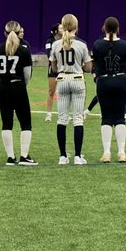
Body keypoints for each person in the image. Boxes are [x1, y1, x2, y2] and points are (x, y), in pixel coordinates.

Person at [0, 20, 36, 165]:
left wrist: (5, 82)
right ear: (19, 33)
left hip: (3, 89)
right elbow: (27, 74)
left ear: (5, 33)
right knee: (25, 123)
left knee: (6, 123)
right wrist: (21, 85)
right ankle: (24, 156)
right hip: (18, 88)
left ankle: (10, 157)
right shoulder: (23, 50)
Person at [50, 14, 92, 165]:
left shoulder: (56, 44)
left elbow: (53, 67)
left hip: (62, 79)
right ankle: (78, 156)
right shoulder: (81, 45)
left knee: (62, 119)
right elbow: (88, 67)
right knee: (78, 119)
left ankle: (62, 156)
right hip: (77, 79)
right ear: (76, 27)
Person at [91, 16, 126, 163]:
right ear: (118, 29)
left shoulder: (97, 44)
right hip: (121, 80)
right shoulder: (124, 45)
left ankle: (107, 152)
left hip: (103, 81)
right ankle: (121, 152)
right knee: (120, 117)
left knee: (106, 118)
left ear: (105, 28)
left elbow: (94, 64)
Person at [43, 22, 60, 121]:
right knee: (51, 91)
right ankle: (48, 113)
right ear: (56, 31)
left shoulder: (65, 40)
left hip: (63, 68)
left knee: (63, 92)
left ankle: (63, 112)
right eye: (61, 28)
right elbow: (49, 55)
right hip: (53, 68)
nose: (63, 29)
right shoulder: (50, 41)